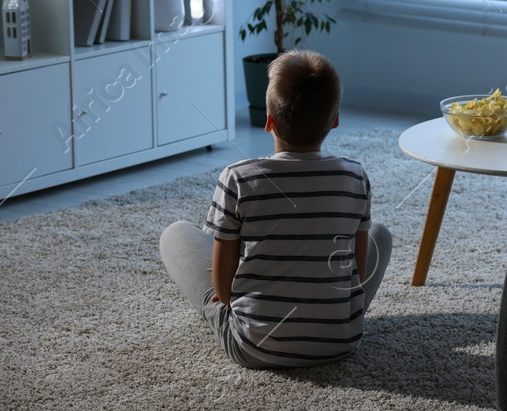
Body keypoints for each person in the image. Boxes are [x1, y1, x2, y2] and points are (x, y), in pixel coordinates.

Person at [159, 50, 393, 368]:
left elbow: (223, 289)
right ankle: (329, 316)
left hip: (254, 347)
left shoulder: (238, 178)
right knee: (380, 233)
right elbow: (359, 274)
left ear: (268, 121)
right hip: (341, 341)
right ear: (335, 119)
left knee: (176, 234)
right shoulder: (354, 176)